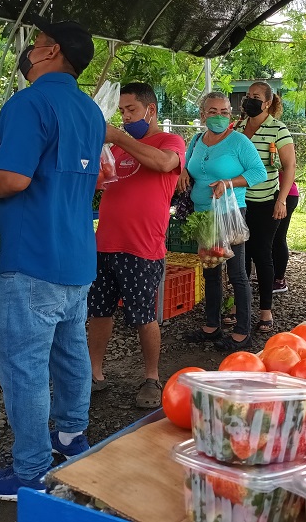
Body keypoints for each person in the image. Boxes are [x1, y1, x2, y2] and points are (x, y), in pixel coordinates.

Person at [0, 16, 105, 501]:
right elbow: (54, 153)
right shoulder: (90, 111)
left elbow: (14, 179)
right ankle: (71, 437)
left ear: (50, 50)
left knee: (24, 366)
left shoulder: (28, 101)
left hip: (33, 257)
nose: (30, 50)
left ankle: (31, 472)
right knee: (70, 350)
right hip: (78, 257)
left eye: (36, 43)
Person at [87, 82, 185, 408]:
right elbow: (100, 180)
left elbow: (163, 164)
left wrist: (118, 137)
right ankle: (94, 373)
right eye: (122, 111)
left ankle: (152, 378)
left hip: (142, 247)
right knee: (98, 311)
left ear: (150, 110)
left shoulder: (169, 141)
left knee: (144, 316)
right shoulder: (115, 149)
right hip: (105, 244)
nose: (126, 116)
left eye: (131, 110)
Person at [177, 92, 266, 350]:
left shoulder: (239, 142)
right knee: (211, 270)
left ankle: (242, 331)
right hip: (204, 213)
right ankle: (212, 325)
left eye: (224, 112)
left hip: (229, 212)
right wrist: (184, 170)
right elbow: (190, 164)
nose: (218, 116)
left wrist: (229, 183)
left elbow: (258, 172)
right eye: (212, 111)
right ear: (203, 114)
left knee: (237, 272)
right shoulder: (196, 140)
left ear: (231, 114)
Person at [233, 82, 296, 333]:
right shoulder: (237, 127)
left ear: (268, 102)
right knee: (240, 257)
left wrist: (281, 200)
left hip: (266, 203)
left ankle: (265, 312)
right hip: (238, 203)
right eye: (248, 96)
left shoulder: (278, 129)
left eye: (256, 97)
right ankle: (239, 307)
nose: (249, 100)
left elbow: (289, 167)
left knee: (262, 254)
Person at [272, 171, 299, 293]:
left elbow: (289, 168)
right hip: (275, 194)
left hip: (285, 195)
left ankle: (279, 280)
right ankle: (272, 276)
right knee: (271, 238)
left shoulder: (280, 151)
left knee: (278, 237)